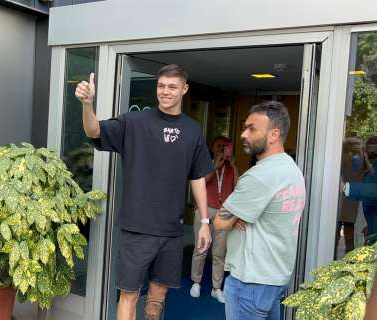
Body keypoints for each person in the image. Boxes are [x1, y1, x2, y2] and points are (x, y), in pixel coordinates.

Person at [75, 64, 214, 320]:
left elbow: (197, 177)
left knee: (158, 296)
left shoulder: (192, 130)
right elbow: (93, 131)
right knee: (129, 294)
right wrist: (87, 104)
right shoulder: (134, 122)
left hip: (171, 231)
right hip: (137, 229)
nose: (165, 91)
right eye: (161, 86)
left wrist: (204, 222)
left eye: (172, 87)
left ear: (184, 89)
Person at [214, 101, 306, 320]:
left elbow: (219, 220)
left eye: (252, 128)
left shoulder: (259, 176)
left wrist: (234, 214)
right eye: (245, 127)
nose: (244, 134)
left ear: (274, 135)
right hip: (274, 278)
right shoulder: (291, 169)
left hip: (250, 282)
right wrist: (237, 213)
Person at [190, 136, 239, 303]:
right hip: (205, 210)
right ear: (212, 147)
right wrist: (215, 166)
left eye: (225, 147)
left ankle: (216, 288)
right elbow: (201, 183)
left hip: (224, 211)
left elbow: (238, 188)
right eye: (218, 146)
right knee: (201, 249)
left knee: (219, 252)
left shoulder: (231, 168)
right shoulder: (205, 163)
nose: (221, 150)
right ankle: (196, 282)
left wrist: (232, 165)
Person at [343, 135, 377, 240]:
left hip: (352, 197)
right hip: (354, 201)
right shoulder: (364, 165)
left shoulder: (358, 160)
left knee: (349, 229)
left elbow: (373, 191)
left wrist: (345, 187)